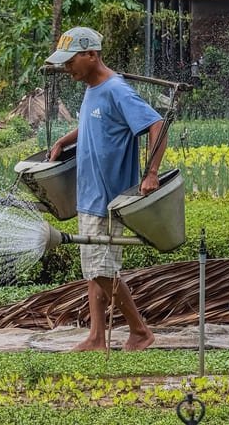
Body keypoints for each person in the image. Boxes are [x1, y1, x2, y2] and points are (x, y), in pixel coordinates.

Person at [45, 27, 165, 351]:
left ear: (91, 55)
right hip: (90, 195)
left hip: (109, 198)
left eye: (71, 61)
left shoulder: (115, 89)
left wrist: (151, 173)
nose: (67, 68)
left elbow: (157, 123)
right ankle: (97, 336)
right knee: (93, 270)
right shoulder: (92, 89)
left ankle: (140, 330)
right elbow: (91, 124)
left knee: (103, 270)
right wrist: (63, 140)